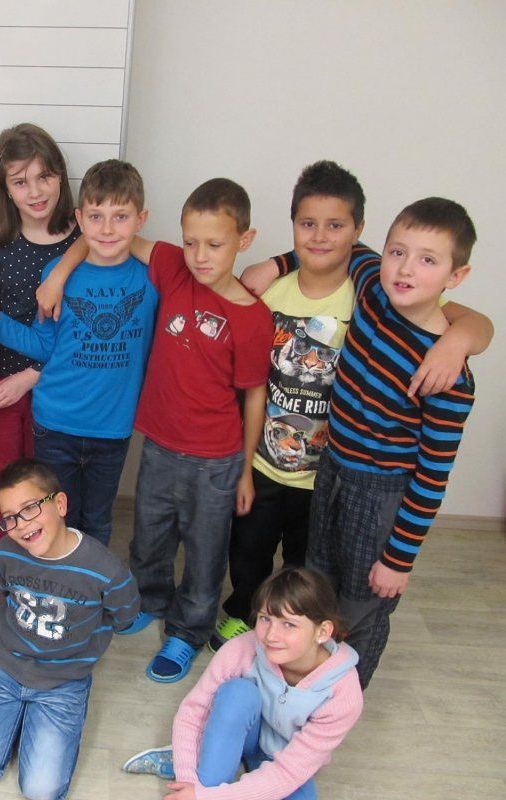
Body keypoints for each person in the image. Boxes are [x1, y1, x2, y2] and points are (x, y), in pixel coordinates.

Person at [38, 178, 274, 682]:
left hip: (216, 459)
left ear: (244, 241)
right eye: (191, 242)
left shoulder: (253, 317)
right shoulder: (171, 267)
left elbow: (255, 395)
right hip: (159, 445)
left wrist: (247, 469)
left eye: (215, 245)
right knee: (150, 536)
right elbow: (105, 237)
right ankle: (149, 600)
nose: (200, 256)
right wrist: (58, 273)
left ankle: (187, 631)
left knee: (205, 550)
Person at [248, 198, 487, 688]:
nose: (406, 268)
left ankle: (341, 696)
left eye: (427, 260)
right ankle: (303, 679)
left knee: (363, 605)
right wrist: (276, 263)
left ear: (456, 276)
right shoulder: (375, 285)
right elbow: (337, 246)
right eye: (397, 252)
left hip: (379, 496)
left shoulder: (447, 376)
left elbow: (432, 477)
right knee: (318, 583)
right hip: (332, 469)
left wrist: (399, 560)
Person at [0, 159, 157, 549]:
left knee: (97, 520)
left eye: (120, 217)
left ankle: (89, 583)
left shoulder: (152, 278)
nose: (107, 229)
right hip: (55, 426)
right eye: (96, 217)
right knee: (54, 521)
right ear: (80, 219)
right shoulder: (57, 274)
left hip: (112, 429)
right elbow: (43, 344)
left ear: (141, 220)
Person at [211, 161, 365, 650]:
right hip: (264, 463)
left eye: (335, 225)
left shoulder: (366, 297)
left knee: (307, 563)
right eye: (308, 223)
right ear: (293, 225)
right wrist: (243, 465)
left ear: (357, 230)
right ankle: (243, 612)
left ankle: (296, 629)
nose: (319, 236)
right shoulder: (270, 291)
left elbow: (462, 319)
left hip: (325, 475)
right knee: (249, 551)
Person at [0, 459, 139, 800]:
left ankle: (32, 718)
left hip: (63, 682)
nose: (21, 525)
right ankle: (16, 714)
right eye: (10, 517)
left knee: (41, 791)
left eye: (29, 508)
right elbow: (6, 592)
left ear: (60, 504)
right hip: (5, 669)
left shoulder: (106, 570)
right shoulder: (6, 552)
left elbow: (124, 614)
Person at [122, 567, 362, 800]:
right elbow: (193, 713)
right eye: (265, 618)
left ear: (323, 632)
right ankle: (198, 759)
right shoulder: (242, 648)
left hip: (287, 759)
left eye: (289, 624)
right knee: (238, 693)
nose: (271, 635)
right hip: (239, 732)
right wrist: (191, 782)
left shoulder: (343, 694)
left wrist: (209, 797)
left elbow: (287, 774)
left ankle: (201, 756)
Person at [0, 123, 81, 604]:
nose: (35, 192)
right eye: (20, 181)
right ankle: (0, 575)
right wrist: (3, 382)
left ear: (60, 177)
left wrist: (32, 377)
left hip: (59, 381)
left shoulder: (83, 238)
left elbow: (81, 334)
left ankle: (48, 573)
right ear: (5, 187)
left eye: (44, 177)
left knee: (47, 481)